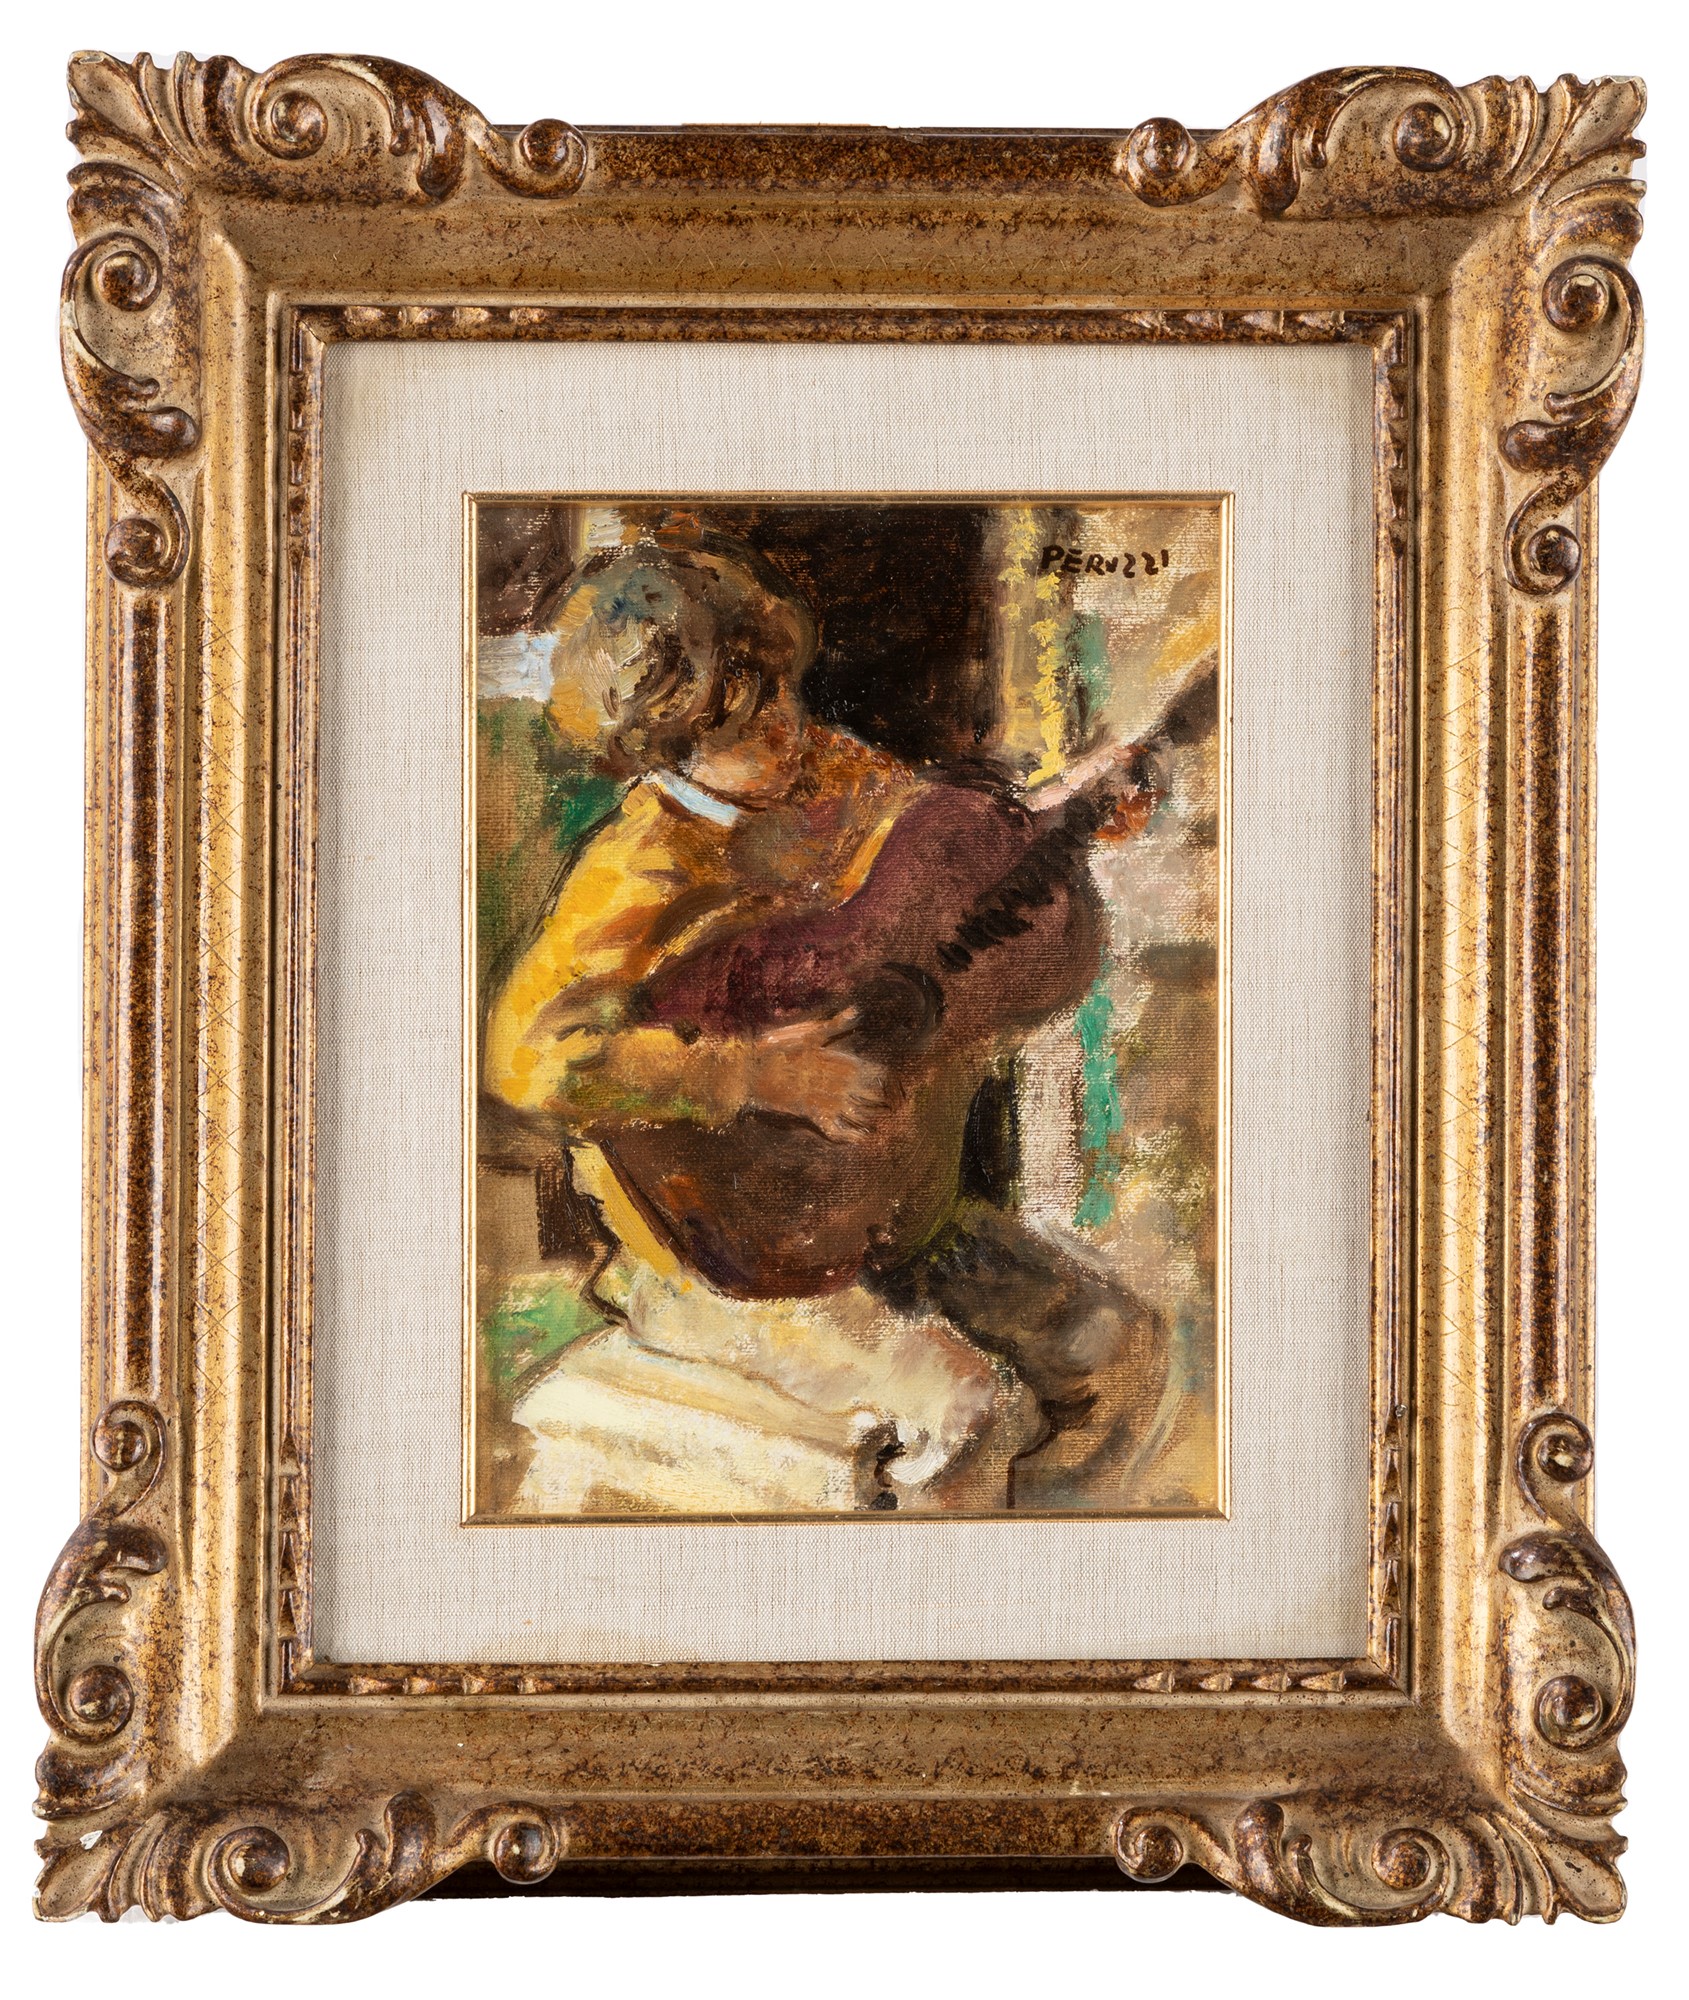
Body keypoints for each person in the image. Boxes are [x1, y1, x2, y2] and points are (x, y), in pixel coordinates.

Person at [483, 532, 1168, 1513]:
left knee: (1121, 1348)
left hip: (899, 1221)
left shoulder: (837, 777)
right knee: (966, 1411)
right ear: (662, 745)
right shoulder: (639, 868)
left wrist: (1068, 812)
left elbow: (950, 866)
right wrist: (756, 1075)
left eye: (770, 700)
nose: (770, 742)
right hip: (723, 1262)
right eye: (722, 731)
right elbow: (528, 1057)